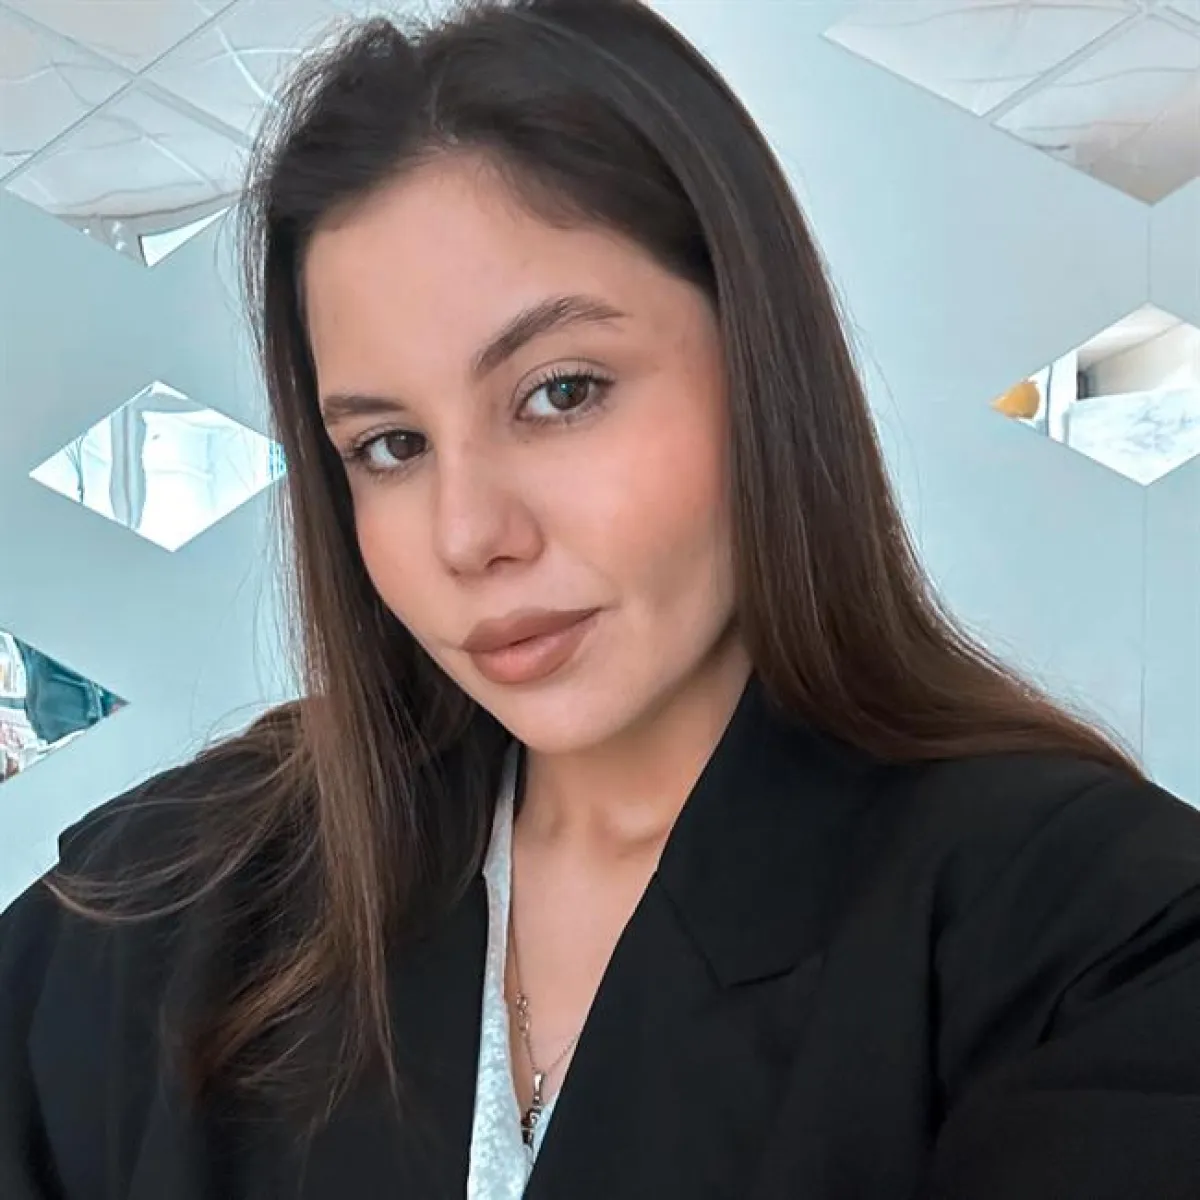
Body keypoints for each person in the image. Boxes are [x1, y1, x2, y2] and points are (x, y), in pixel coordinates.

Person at [2, 1, 1199, 1196]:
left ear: (759, 366)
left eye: (562, 393)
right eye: (390, 447)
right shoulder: (177, 900)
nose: (470, 536)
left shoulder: (1091, 935)